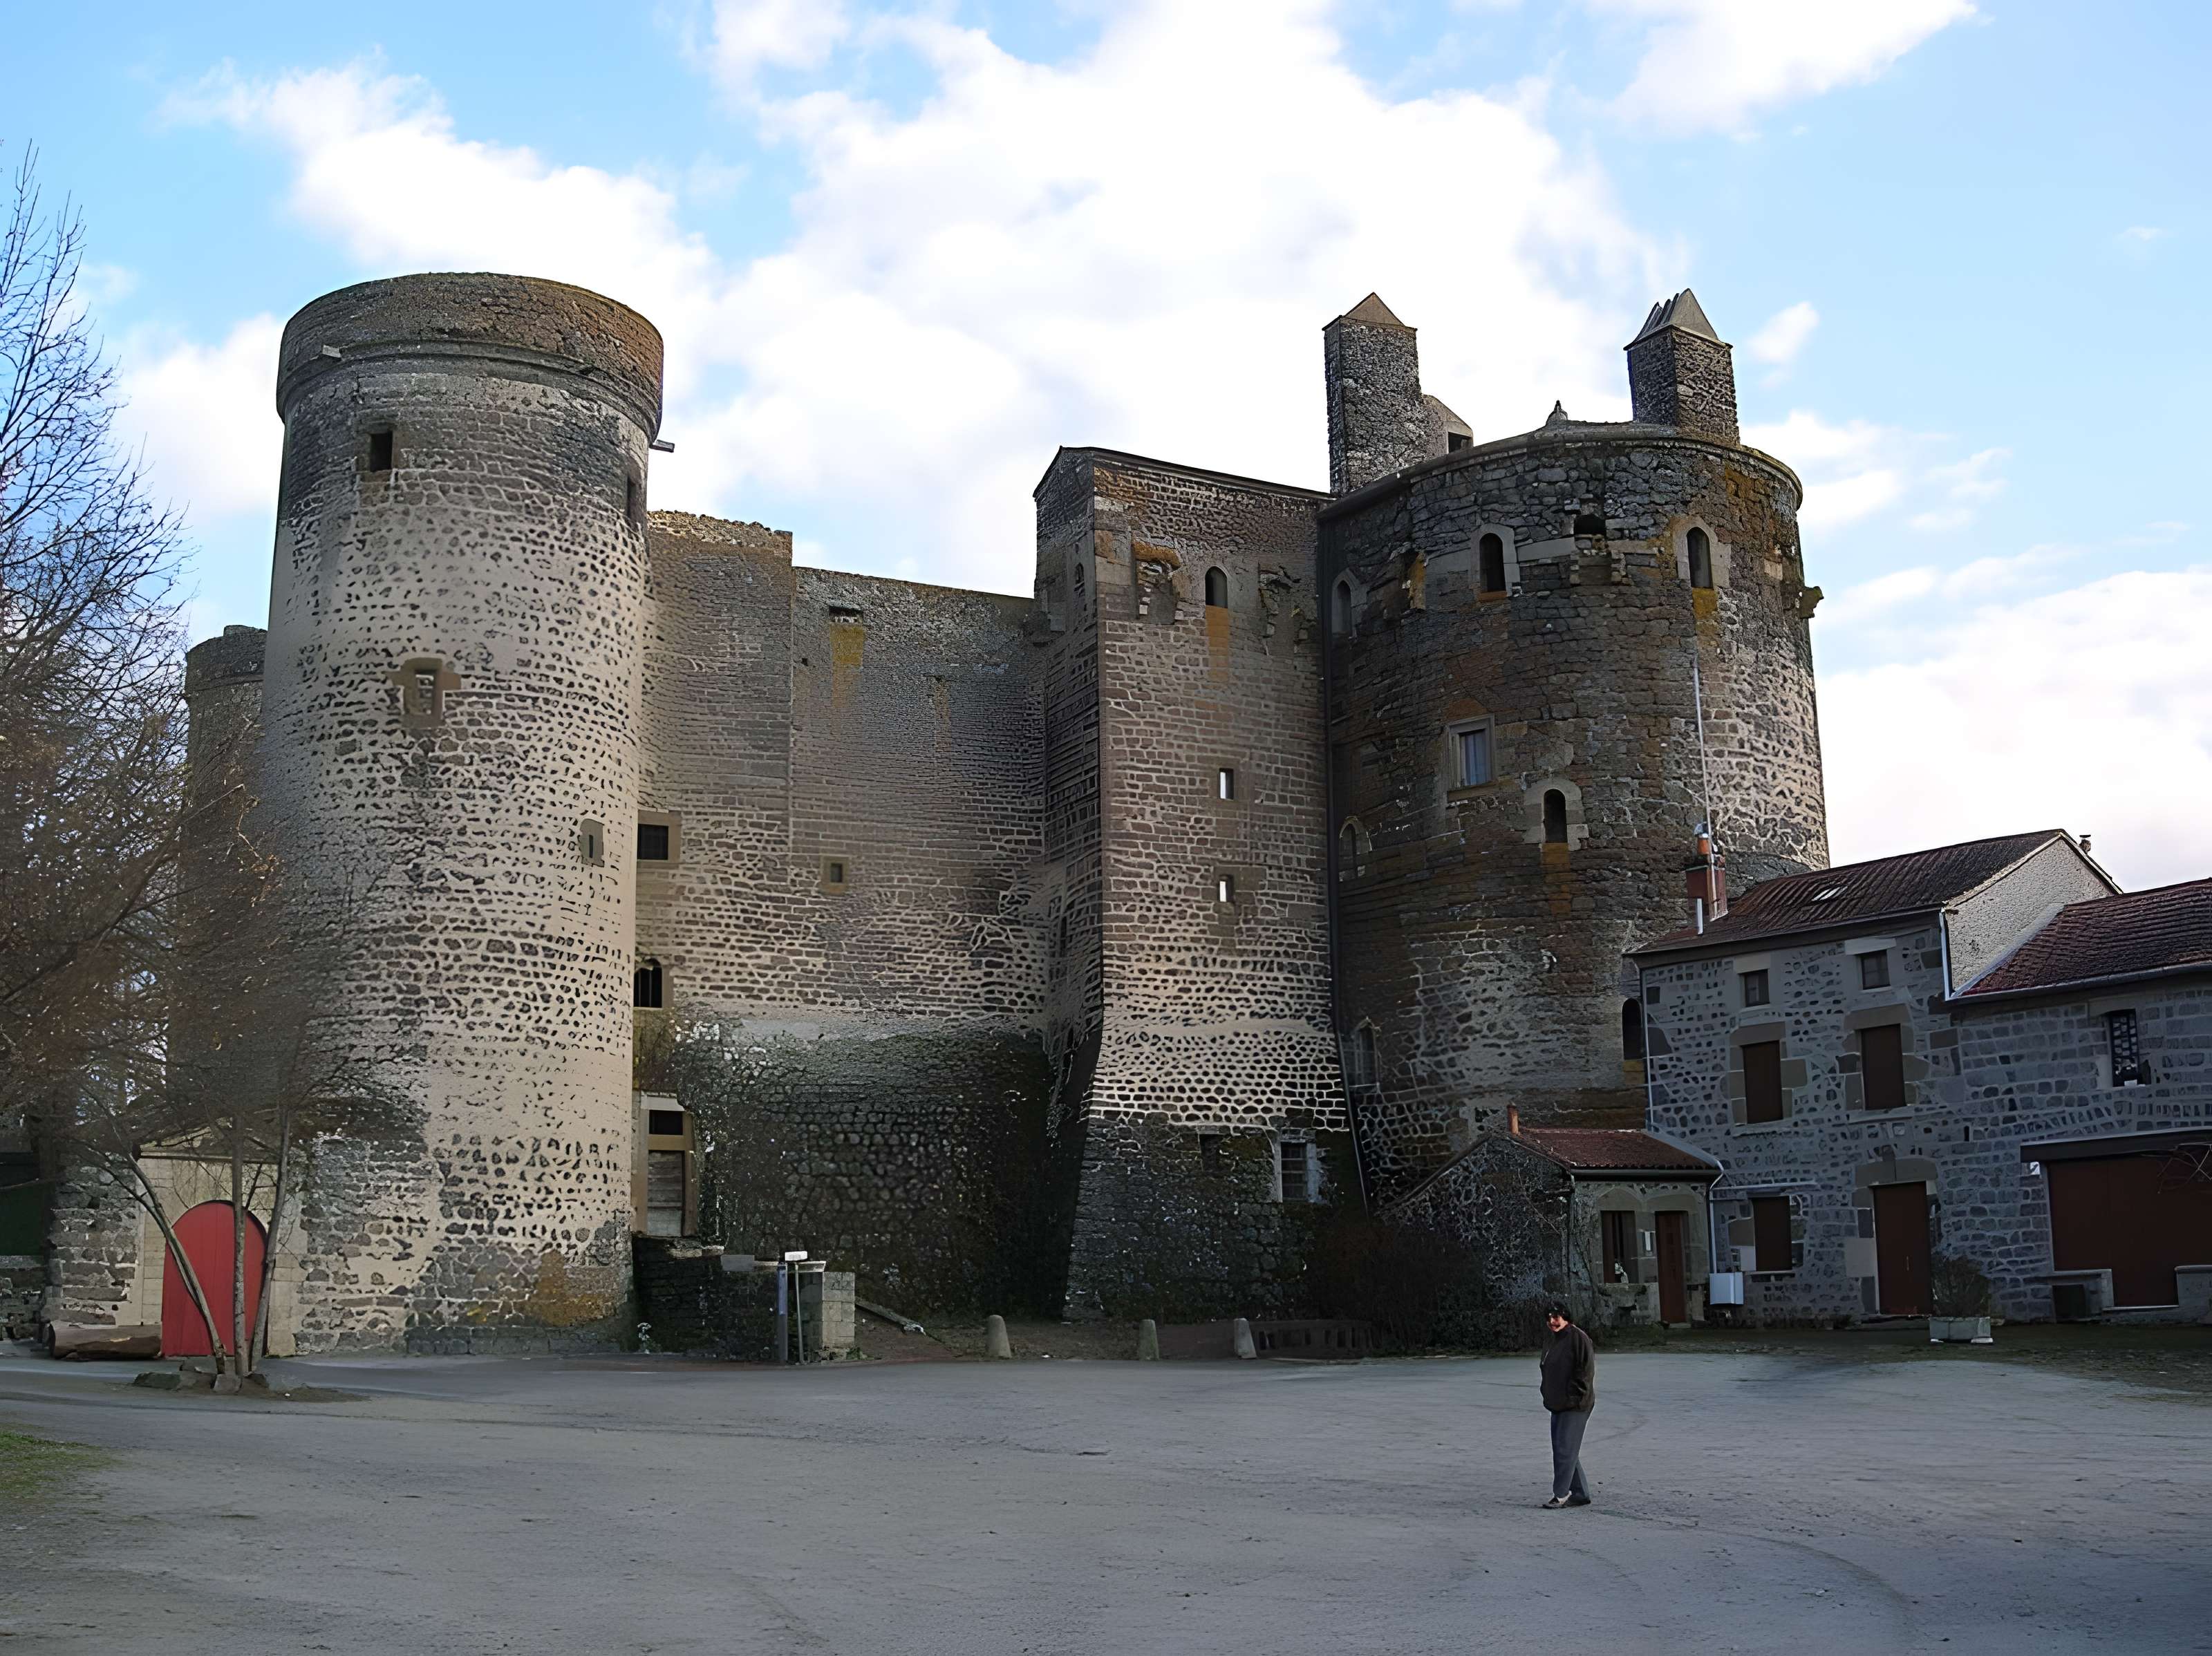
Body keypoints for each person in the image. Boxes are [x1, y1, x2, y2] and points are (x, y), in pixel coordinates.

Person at [1537, 1301, 1595, 1509]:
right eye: (1550, 1317)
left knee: (1564, 1450)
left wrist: (1575, 1396)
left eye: (1557, 1317)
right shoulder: (1553, 1339)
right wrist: (1546, 1392)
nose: (1553, 1321)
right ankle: (1580, 1494)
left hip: (1576, 1404)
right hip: (1558, 1403)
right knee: (1564, 1449)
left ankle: (1561, 1494)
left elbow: (1584, 1371)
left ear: (1566, 1317)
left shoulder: (1578, 1338)